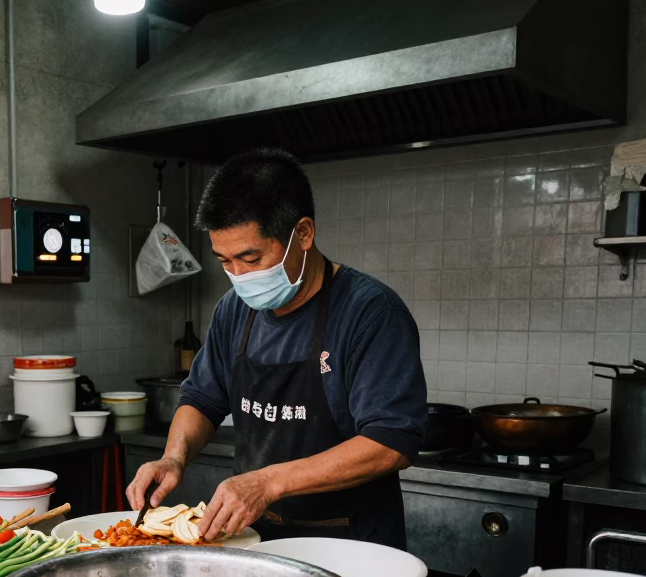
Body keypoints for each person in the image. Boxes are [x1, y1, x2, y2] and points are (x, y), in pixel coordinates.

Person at [126, 148, 426, 549]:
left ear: (303, 233)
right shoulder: (235, 309)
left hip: (350, 544)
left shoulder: (370, 312)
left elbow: (391, 444)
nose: (238, 276)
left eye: (251, 257)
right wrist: (174, 457)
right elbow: (202, 397)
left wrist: (268, 482)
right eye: (224, 261)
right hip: (254, 537)